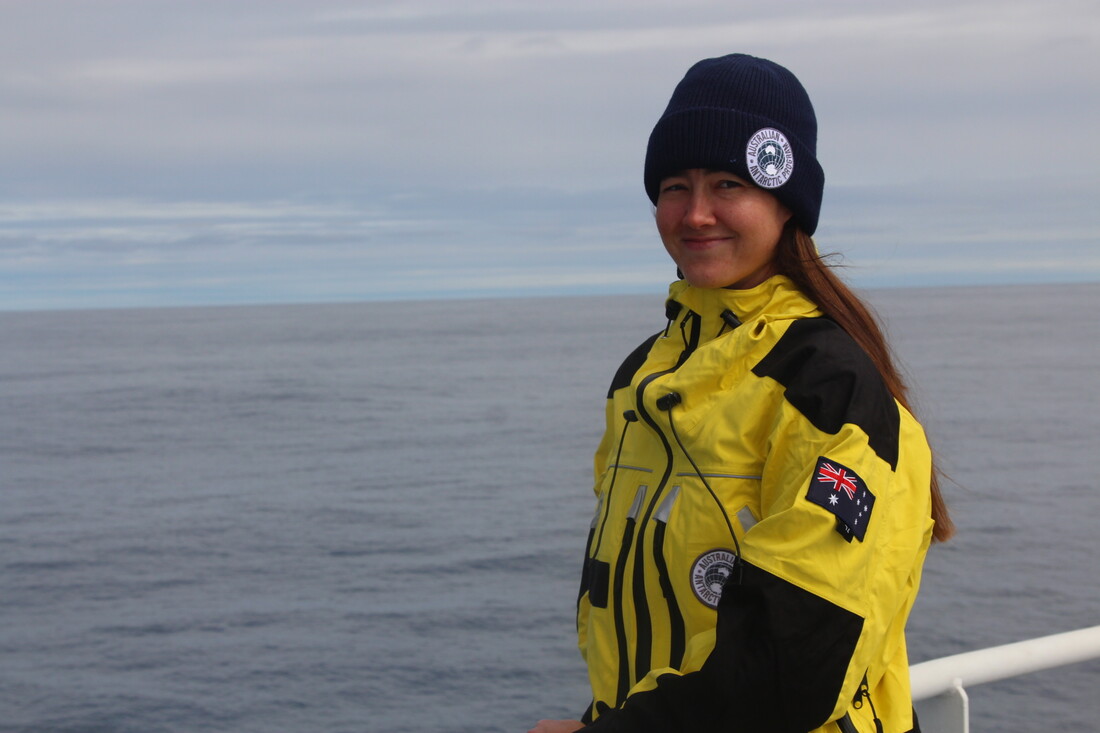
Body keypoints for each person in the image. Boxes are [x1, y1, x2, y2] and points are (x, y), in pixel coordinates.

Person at [529, 53, 953, 733]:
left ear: (786, 204)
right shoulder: (644, 377)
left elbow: (795, 664)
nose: (696, 214)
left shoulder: (828, 388)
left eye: (728, 183)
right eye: (675, 185)